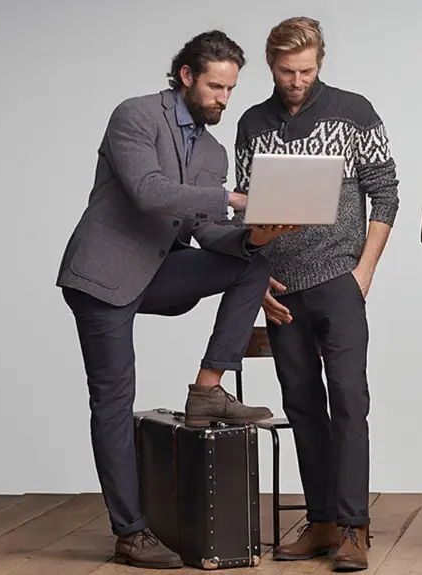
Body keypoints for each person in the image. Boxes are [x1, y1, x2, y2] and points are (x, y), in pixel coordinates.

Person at [54, 30, 297, 570]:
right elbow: (149, 190)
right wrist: (236, 197)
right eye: (215, 87)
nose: (223, 100)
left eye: (231, 90)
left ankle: (208, 389)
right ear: (186, 75)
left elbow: (207, 229)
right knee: (115, 401)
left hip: (158, 271)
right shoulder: (136, 116)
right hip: (103, 277)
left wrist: (256, 234)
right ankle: (131, 532)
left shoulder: (212, 151)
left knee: (254, 265)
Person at [230, 17, 399, 572]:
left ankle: (354, 526)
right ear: (271, 66)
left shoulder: (355, 111)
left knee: (350, 401)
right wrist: (256, 286)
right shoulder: (253, 123)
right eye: (286, 71)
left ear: (319, 63)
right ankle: (323, 520)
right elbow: (248, 215)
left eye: (306, 70)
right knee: (302, 404)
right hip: (279, 289)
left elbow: (386, 196)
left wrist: (364, 272)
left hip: (339, 282)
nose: (297, 80)